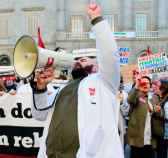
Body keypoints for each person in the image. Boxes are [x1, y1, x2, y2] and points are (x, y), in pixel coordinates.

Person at [32, 4, 123, 158]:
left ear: (98, 65)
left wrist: (97, 20)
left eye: (86, 59)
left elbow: (109, 54)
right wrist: (40, 88)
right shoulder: (62, 88)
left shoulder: (104, 83)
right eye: (77, 59)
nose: (80, 60)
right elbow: (39, 114)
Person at [127, 76, 161, 158]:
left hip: (150, 140)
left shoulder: (154, 98)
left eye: (147, 83)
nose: (145, 85)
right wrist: (137, 87)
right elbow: (130, 100)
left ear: (150, 85)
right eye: (143, 83)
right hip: (137, 141)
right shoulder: (137, 96)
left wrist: (158, 111)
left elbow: (160, 114)